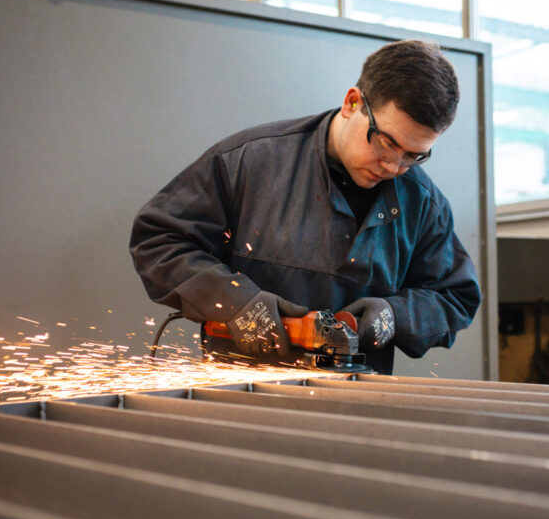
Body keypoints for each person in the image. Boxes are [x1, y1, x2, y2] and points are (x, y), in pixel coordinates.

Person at [129, 39, 481, 374]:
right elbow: (159, 240)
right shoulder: (251, 162)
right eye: (386, 143)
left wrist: (393, 316)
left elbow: (454, 297)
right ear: (352, 102)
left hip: (357, 406)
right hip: (240, 397)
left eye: (414, 155)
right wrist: (237, 303)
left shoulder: (422, 203)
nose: (393, 167)